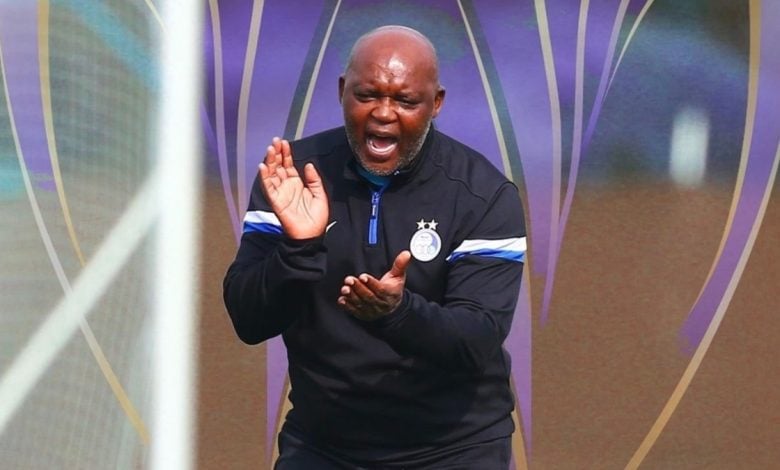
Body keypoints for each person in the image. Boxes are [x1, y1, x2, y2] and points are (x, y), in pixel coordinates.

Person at [223, 25, 527, 469]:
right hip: (325, 445)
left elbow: (475, 340)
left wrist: (397, 314)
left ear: (436, 103)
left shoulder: (483, 195)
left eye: (405, 101)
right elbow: (249, 320)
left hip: (455, 447)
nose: (384, 113)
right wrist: (298, 248)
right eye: (368, 95)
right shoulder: (292, 178)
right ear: (343, 90)